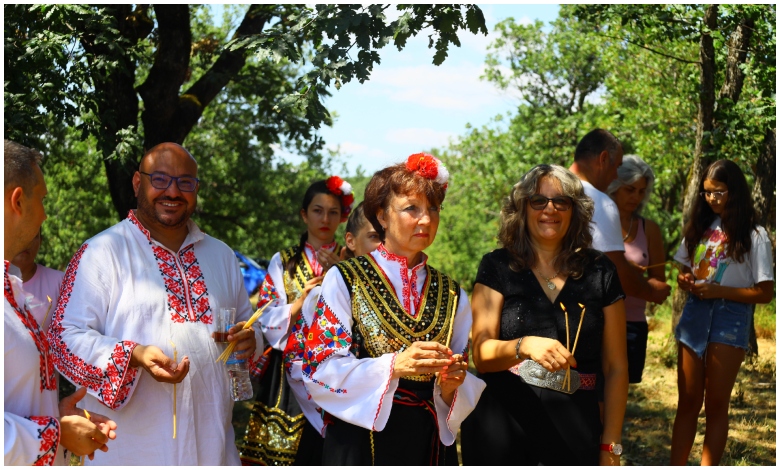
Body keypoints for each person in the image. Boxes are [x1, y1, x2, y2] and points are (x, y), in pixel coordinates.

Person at [47, 143, 261, 465]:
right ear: (137, 183)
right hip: (132, 450)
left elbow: (247, 325)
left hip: (214, 446)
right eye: (159, 179)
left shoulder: (222, 256)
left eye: (185, 182)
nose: (172, 191)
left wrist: (250, 339)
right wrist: (133, 355)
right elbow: (62, 337)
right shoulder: (102, 251)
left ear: (196, 189)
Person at [302, 153, 486, 465]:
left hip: (427, 444)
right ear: (382, 216)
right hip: (361, 441)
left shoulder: (453, 293)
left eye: (433, 209)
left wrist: (450, 384)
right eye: (411, 209)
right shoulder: (346, 278)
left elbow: (457, 380)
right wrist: (394, 366)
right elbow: (319, 368)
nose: (426, 219)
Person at [463, 164, 628, 465]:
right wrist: (523, 346)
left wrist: (611, 445)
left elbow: (616, 366)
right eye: (538, 200)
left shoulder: (600, 270)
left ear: (574, 211)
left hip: (576, 421)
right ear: (523, 208)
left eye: (561, 201)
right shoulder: (497, 266)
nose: (549, 209)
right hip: (503, 419)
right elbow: (481, 353)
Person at [4, 139, 116, 465]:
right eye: (41, 199)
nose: (45, 213)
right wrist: (55, 434)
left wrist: (57, 415)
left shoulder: (11, 290)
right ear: (18, 201)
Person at [239, 176, 354, 466]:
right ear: (304, 214)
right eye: (317, 210)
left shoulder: (352, 260)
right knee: (283, 452)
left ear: (343, 218)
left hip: (337, 368)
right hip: (288, 375)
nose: (325, 218)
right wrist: (299, 303)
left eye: (332, 212)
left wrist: (342, 274)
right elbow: (264, 313)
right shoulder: (285, 260)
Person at [670, 159, 774, 465]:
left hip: (730, 318)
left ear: (735, 191)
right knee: (688, 401)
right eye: (706, 192)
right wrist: (685, 279)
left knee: (715, 405)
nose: (711, 199)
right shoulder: (703, 226)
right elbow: (684, 269)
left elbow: (765, 293)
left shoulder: (755, 235)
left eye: (718, 192)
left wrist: (719, 292)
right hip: (695, 315)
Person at [569, 129, 670, 306]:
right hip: (590, 313)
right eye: (616, 167)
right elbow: (614, 273)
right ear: (603, 158)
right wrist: (651, 291)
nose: (615, 175)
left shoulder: (546, 189)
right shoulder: (601, 203)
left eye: (641, 191)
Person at [607, 155, 665, 383]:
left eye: (642, 191)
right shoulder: (595, 222)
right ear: (615, 186)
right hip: (599, 319)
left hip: (634, 323)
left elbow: (658, 281)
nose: (636, 197)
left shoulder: (649, 229)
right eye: (630, 189)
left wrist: (636, 279)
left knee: (622, 391)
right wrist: (624, 269)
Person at [10, 230, 64, 331]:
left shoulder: (62, 283)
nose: (26, 241)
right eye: (19, 231)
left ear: (40, 241)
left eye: (33, 235)